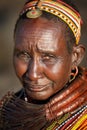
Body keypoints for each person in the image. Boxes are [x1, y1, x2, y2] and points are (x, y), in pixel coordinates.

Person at [0, 0, 87, 129]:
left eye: (48, 57)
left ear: (76, 56)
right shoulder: (6, 112)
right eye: (24, 55)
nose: (33, 74)